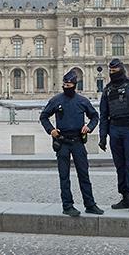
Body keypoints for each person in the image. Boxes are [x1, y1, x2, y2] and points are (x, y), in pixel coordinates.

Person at [40, 69, 103, 217]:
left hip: (78, 142)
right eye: (65, 85)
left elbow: (95, 116)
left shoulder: (82, 101)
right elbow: (44, 116)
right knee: (64, 176)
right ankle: (67, 205)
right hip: (62, 141)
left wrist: (89, 127)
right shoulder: (56, 100)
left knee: (84, 174)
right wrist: (51, 130)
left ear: (75, 85)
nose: (66, 87)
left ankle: (90, 204)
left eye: (69, 85)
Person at [98, 58, 129, 212]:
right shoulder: (107, 90)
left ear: (122, 70)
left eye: (115, 71)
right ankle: (124, 196)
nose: (112, 73)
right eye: (111, 71)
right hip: (115, 129)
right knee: (119, 165)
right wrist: (102, 136)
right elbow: (103, 114)